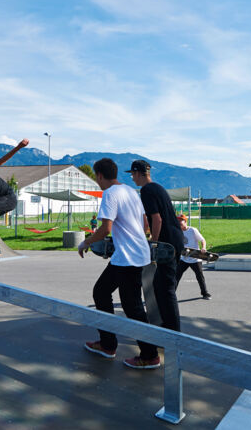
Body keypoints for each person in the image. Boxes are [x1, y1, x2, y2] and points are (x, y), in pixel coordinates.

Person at [77, 158, 161, 369]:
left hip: (128, 258)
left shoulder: (110, 194)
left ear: (99, 175)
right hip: (135, 254)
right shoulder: (131, 191)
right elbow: (144, 223)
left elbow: (106, 228)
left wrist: (85, 242)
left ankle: (147, 354)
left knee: (128, 305)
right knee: (106, 294)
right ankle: (108, 343)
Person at [128, 159, 185, 343]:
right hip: (175, 240)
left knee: (166, 290)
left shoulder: (146, 190)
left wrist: (153, 244)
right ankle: (167, 329)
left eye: (132, 174)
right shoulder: (158, 187)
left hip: (167, 245)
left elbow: (157, 219)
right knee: (161, 288)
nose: (132, 178)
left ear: (138, 173)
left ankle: (174, 335)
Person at [177, 214, 211, 299]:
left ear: (185, 221)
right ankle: (171, 294)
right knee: (176, 276)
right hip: (184, 258)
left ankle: (205, 293)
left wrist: (203, 248)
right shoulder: (178, 231)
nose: (179, 223)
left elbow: (202, 240)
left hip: (195, 258)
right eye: (178, 221)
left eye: (180, 221)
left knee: (200, 276)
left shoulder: (192, 230)